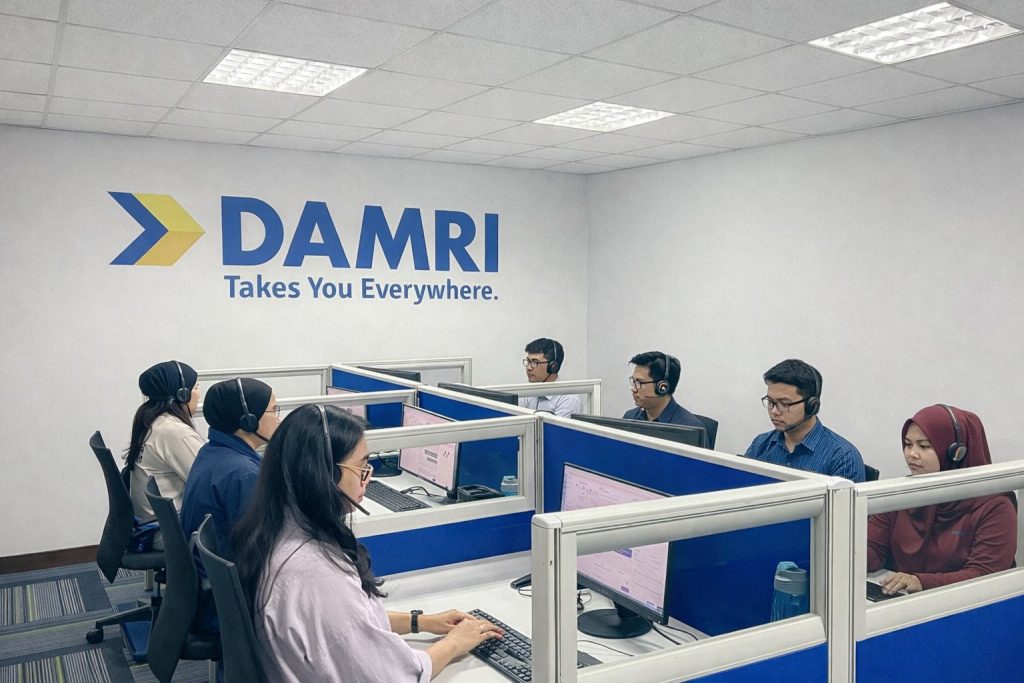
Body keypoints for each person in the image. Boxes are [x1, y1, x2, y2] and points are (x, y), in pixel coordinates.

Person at [234, 404, 503, 681]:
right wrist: (455, 644)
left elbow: (349, 624)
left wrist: (420, 622)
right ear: (326, 474)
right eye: (362, 466)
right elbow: (390, 676)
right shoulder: (315, 573)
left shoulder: (280, 526)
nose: (368, 477)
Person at [867, 404, 1016, 595]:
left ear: (956, 453)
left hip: (964, 606)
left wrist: (920, 582)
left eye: (924, 446)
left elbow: (985, 575)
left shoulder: (994, 506)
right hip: (902, 602)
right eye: (908, 444)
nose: (911, 454)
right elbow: (874, 548)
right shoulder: (901, 495)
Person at [181, 377, 280, 561]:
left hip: (211, 569)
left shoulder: (212, 451)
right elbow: (260, 545)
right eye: (274, 410)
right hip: (235, 572)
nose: (278, 419)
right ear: (248, 420)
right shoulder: (244, 473)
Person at [124, 360, 203, 549]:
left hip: (152, 524)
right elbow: (207, 481)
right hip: (165, 531)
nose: (199, 393)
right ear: (182, 394)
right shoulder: (174, 432)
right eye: (195, 387)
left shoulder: (153, 420)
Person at [745, 359, 864, 482]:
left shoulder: (842, 457)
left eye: (784, 404)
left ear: (811, 405)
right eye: (770, 401)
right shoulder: (761, 445)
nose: (774, 411)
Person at [623, 351, 703, 429]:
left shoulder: (690, 428)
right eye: (634, 381)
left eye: (639, 382)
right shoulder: (630, 418)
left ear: (662, 387)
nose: (633, 389)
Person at [518, 337, 582, 417]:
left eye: (535, 362)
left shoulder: (568, 400)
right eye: (528, 361)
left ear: (553, 367)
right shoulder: (528, 392)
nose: (529, 368)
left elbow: (555, 426)